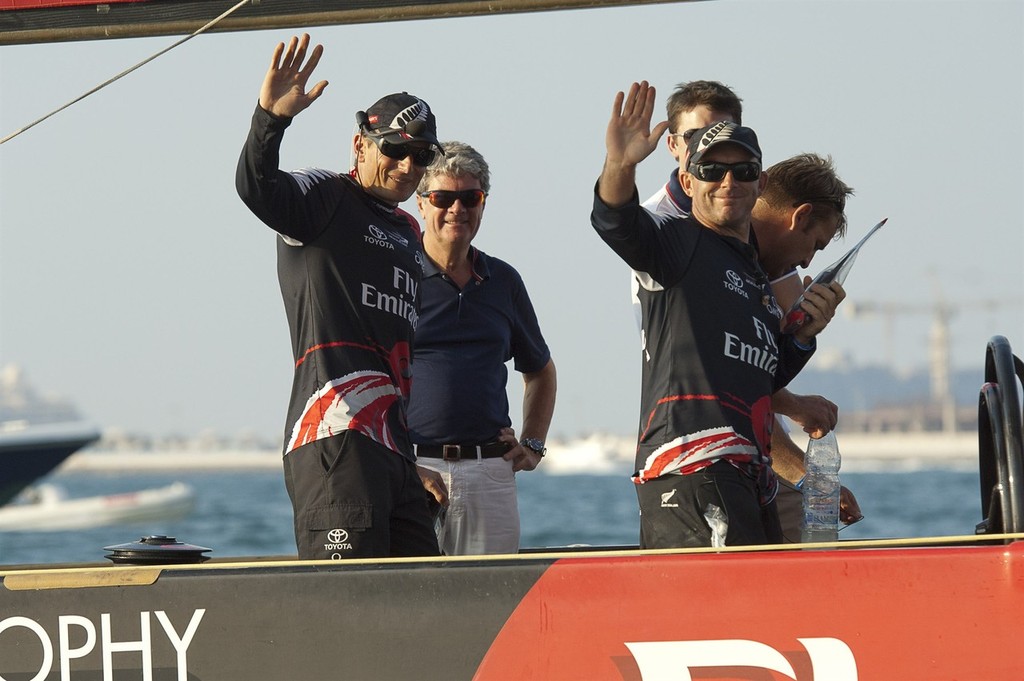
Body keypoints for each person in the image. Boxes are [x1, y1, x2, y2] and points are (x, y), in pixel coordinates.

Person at [592, 81, 844, 548]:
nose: (728, 182)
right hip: (691, 469)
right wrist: (619, 165)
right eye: (712, 170)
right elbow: (615, 222)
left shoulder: (755, 272)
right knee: (716, 620)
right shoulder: (675, 242)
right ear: (688, 181)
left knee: (762, 614)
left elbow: (762, 376)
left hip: (750, 473)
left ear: (760, 183)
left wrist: (805, 334)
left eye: (742, 170)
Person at [235, 34, 447, 560]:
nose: (407, 166)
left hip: (392, 451)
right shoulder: (324, 196)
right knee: (348, 612)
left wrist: (406, 456)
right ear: (360, 144)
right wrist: (270, 119)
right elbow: (256, 187)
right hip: (335, 438)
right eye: (395, 150)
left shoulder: (406, 231)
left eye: (421, 157)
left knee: (431, 605)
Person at [408, 141, 557, 555]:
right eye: (443, 198)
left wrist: (533, 445)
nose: (457, 209)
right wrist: (400, 463)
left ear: (483, 204)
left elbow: (541, 370)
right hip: (414, 468)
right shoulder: (395, 274)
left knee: (493, 602)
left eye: (470, 198)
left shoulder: (504, 280)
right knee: (410, 602)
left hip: (490, 470)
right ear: (422, 204)